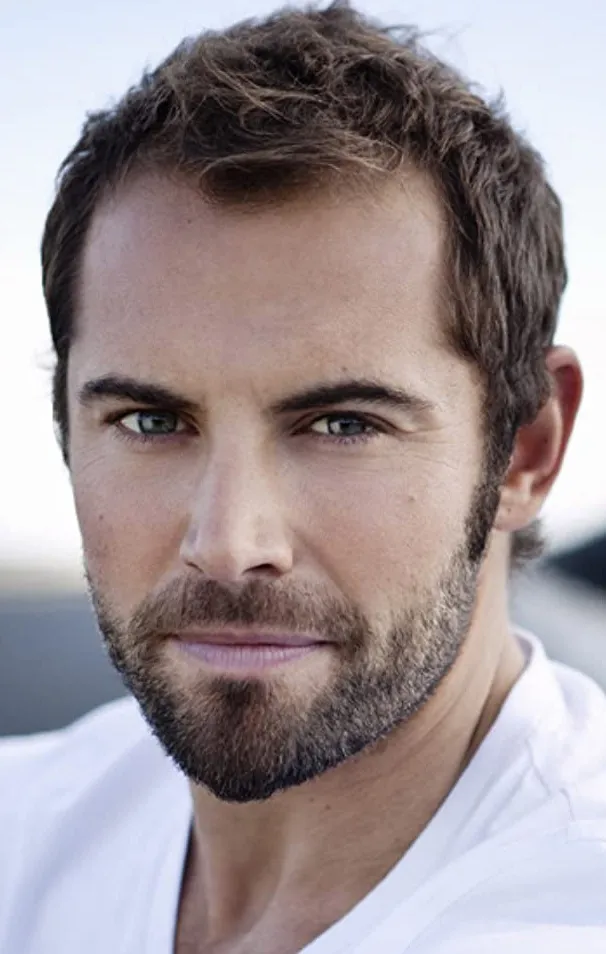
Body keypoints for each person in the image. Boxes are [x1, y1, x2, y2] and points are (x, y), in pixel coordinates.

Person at [2, 3, 605, 952]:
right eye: (151, 421)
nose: (227, 544)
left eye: (343, 424)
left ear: (525, 449)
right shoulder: (23, 831)